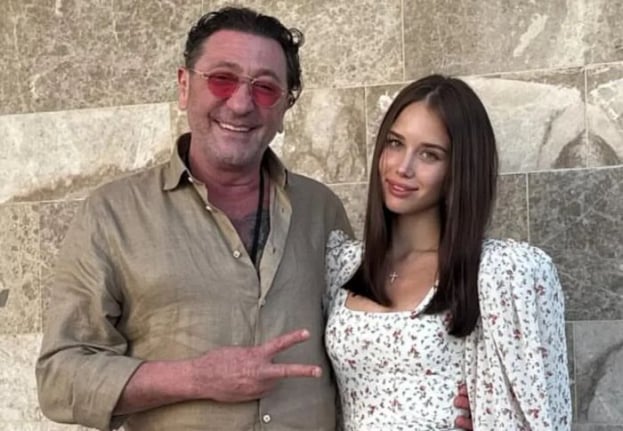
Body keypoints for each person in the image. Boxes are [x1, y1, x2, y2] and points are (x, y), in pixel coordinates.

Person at [36, 7, 472, 431]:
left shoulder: (322, 211)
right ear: (185, 86)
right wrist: (196, 377)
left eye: (265, 88)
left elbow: (359, 342)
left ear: (284, 108)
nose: (242, 103)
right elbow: (60, 378)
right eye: (222, 79)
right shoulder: (113, 215)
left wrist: (442, 398)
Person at [324, 75, 572, 430]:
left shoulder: (502, 273)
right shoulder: (343, 266)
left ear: (460, 167)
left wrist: (490, 412)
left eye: (429, 154)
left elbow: (543, 417)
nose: (403, 167)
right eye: (395, 143)